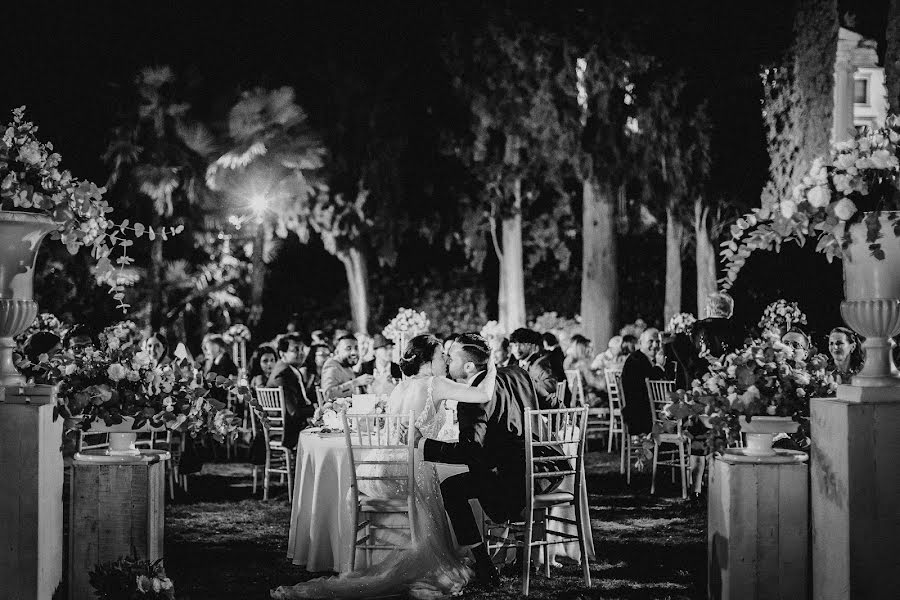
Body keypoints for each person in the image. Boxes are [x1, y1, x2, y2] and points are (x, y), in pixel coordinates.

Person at [272, 334, 495, 599]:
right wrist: (490, 364)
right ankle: (425, 561)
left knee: (430, 481)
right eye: (440, 356)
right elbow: (483, 392)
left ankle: (380, 559)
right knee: (435, 482)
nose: (445, 360)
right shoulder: (436, 383)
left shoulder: (400, 387)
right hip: (407, 471)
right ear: (427, 361)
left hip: (373, 471)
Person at [417, 333, 565, 591]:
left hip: (513, 485)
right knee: (484, 469)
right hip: (545, 470)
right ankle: (518, 557)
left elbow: (469, 452)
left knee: (450, 487)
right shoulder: (518, 373)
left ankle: (484, 565)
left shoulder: (471, 400)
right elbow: (550, 403)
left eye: (451, 358)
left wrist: (424, 445)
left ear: (469, 367)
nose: (447, 362)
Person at [267, 333, 315, 450]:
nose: (301, 353)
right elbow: (294, 412)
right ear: (282, 353)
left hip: (292, 423)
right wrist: (316, 408)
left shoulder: (290, 370)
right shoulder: (283, 375)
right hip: (287, 429)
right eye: (296, 350)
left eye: (302, 349)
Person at [621, 328, 665, 436]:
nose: (655, 345)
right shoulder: (636, 360)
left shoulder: (644, 359)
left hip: (647, 409)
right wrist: (659, 366)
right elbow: (649, 382)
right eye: (651, 341)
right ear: (640, 343)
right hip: (639, 414)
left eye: (658, 342)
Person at [509, 327, 563, 409]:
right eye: (514, 345)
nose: (517, 349)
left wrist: (527, 388)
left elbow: (551, 384)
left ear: (531, 346)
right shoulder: (521, 363)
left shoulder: (538, 364)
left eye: (521, 345)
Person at [692, 291, 742, 360]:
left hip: (705, 367)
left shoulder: (698, 326)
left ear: (711, 309)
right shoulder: (737, 328)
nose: (705, 309)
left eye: (707, 307)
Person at [321, 334, 374, 399]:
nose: (354, 352)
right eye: (348, 348)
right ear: (337, 351)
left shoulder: (348, 366)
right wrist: (355, 382)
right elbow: (328, 394)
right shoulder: (332, 365)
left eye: (356, 348)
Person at [563, 334, 605, 405]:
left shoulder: (568, 363)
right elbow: (593, 382)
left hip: (575, 398)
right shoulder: (582, 364)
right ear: (582, 348)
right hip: (588, 399)